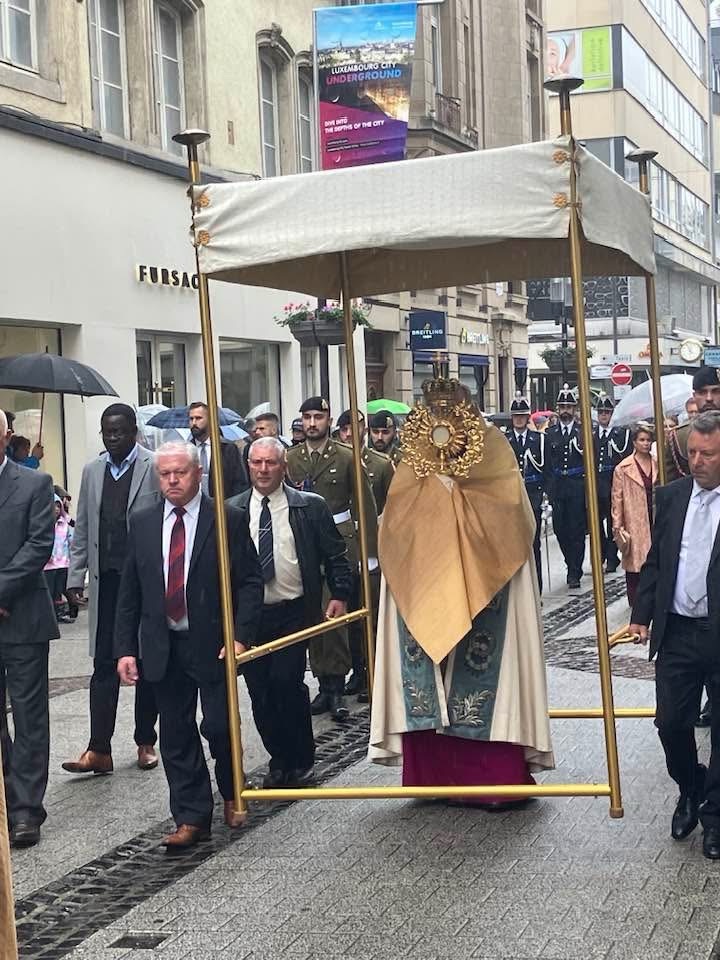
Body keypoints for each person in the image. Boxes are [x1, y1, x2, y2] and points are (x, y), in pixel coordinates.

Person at [369, 361, 554, 801]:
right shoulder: (409, 462)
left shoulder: (495, 450)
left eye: (450, 406)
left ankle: (493, 779)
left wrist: (461, 511)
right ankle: (432, 776)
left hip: (492, 586)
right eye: (434, 408)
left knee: (486, 676)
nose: (443, 416)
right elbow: (397, 524)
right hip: (424, 582)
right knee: (428, 676)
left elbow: (510, 512)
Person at [115, 442, 263, 848]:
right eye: (164, 474)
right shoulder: (143, 520)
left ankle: (233, 789)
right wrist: (125, 649)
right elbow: (131, 590)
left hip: (212, 641)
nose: (173, 480)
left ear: (198, 473)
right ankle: (191, 816)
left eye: (180, 472)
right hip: (163, 644)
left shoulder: (225, 518)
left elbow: (249, 581)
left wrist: (240, 636)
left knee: (217, 725)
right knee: (176, 733)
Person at [231, 437, 352, 786]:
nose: (263, 470)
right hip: (251, 618)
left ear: (284, 466)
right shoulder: (234, 509)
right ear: (248, 465)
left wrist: (339, 594)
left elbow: (335, 554)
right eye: (257, 463)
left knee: (286, 683)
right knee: (260, 692)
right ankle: (278, 757)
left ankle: (301, 756)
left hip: (293, 611)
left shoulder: (308, 507)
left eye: (271, 462)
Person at [630, 411, 720, 860]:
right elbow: (656, 561)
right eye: (692, 453)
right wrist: (641, 614)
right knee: (670, 722)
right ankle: (691, 785)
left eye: (708, 453)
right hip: (679, 631)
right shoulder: (670, 497)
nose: (698, 461)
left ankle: (715, 817)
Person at [64, 404, 159, 775]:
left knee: (146, 662)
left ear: (134, 431)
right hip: (108, 583)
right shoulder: (92, 471)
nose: (112, 438)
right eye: (106, 432)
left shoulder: (152, 466)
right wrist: (75, 577)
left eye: (118, 432)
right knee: (103, 663)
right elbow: (83, 528)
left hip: (144, 584)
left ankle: (145, 740)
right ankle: (98, 748)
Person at [286, 397, 378, 721]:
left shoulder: (345, 456)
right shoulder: (291, 458)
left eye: (318, 417)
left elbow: (364, 504)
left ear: (328, 421)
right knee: (312, 616)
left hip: (340, 542)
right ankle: (323, 683)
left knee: (335, 615)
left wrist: (369, 552)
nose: (312, 423)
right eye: (307, 417)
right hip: (304, 545)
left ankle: (337, 685)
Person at [0, 409, 58, 848]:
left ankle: (25, 810)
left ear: (6, 438)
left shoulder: (34, 484)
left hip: (23, 619)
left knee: (28, 717)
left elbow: (39, 544)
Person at [336, 408, 393, 699]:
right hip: (344, 551)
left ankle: (375, 672)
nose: (349, 434)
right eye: (344, 429)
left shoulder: (380, 465)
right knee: (352, 619)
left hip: (372, 549)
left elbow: (390, 508)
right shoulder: (333, 461)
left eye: (355, 428)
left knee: (372, 616)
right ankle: (357, 672)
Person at [611, 422, 657, 606]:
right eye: (642, 440)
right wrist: (617, 526)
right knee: (635, 564)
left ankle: (654, 598)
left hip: (655, 517)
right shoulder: (623, 468)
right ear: (634, 442)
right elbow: (617, 498)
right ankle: (636, 602)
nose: (646, 443)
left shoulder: (657, 462)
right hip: (634, 519)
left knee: (655, 559)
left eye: (648, 440)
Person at [546, 384, 586, 590]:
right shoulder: (550, 434)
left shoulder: (582, 432)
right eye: (562, 406)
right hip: (558, 489)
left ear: (575, 409)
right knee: (560, 530)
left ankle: (575, 571)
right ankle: (569, 560)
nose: (565, 411)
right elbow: (546, 464)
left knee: (576, 531)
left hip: (577, 487)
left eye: (569, 407)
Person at [506, 392, 546, 592]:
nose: (519, 420)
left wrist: (547, 497)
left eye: (522, 416)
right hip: (511, 497)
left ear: (527, 417)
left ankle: (535, 587)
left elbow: (545, 470)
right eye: (516, 416)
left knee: (533, 543)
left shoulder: (538, 439)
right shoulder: (504, 441)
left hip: (532, 495)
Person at [593, 393, 630, 575]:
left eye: (607, 412)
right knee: (596, 524)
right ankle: (599, 556)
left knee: (612, 524)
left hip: (613, 484)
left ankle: (612, 557)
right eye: (601, 412)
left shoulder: (620, 434)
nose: (604, 416)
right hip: (596, 484)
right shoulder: (592, 435)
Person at [665, 366, 720, 482]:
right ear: (694, 396)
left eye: (716, 391)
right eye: (702, 392)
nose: (709, 398)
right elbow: (666, 490)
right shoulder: (678, 437)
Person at [188, 401, 249, 498]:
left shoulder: (227, 448)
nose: (194, 423)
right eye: (191, 419)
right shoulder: (187, 450)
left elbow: (240, 483)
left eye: (198, 418)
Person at [43, 495, 74, 623]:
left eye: (58, 505)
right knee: (49, 592)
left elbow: (71, 540)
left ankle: (58, 615)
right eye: (53, 505)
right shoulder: (43, 523)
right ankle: (49, 617)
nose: (55, 509)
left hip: (63, 563)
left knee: (58, 591)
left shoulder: (64, 523)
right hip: (48, 564)